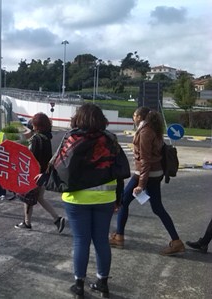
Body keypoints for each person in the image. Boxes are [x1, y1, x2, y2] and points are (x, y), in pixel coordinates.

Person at [54, 104, 124, 298]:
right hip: (105, 198)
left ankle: (79, 285)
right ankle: (102, 283)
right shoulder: (110, 139)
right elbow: (118, 172)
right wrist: (119, 198)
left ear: (78, 118)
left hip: (76, 199)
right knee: (101, 240)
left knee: (81, 240)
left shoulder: (71, 138)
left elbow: (61, 167)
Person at [110, 107, 185, 256]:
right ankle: (176, 242)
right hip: (155, 173)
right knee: (157, 208)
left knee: (124, 201)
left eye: (134, 115)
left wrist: (140, 185)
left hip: (145, 174)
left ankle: (119, 236)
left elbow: (145, 160)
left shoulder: (145, 132)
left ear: (140, 117)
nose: (133, 117)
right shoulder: (152, 129)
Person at [15, 112, 65, 232]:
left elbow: (31, 157)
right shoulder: (47, 137)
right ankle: (57, 219)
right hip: (43, 173)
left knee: (28, 198)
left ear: (37, 125)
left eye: (34, 122)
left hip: (34, 174)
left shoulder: (37, 139)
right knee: (40, 198)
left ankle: (27, 223)